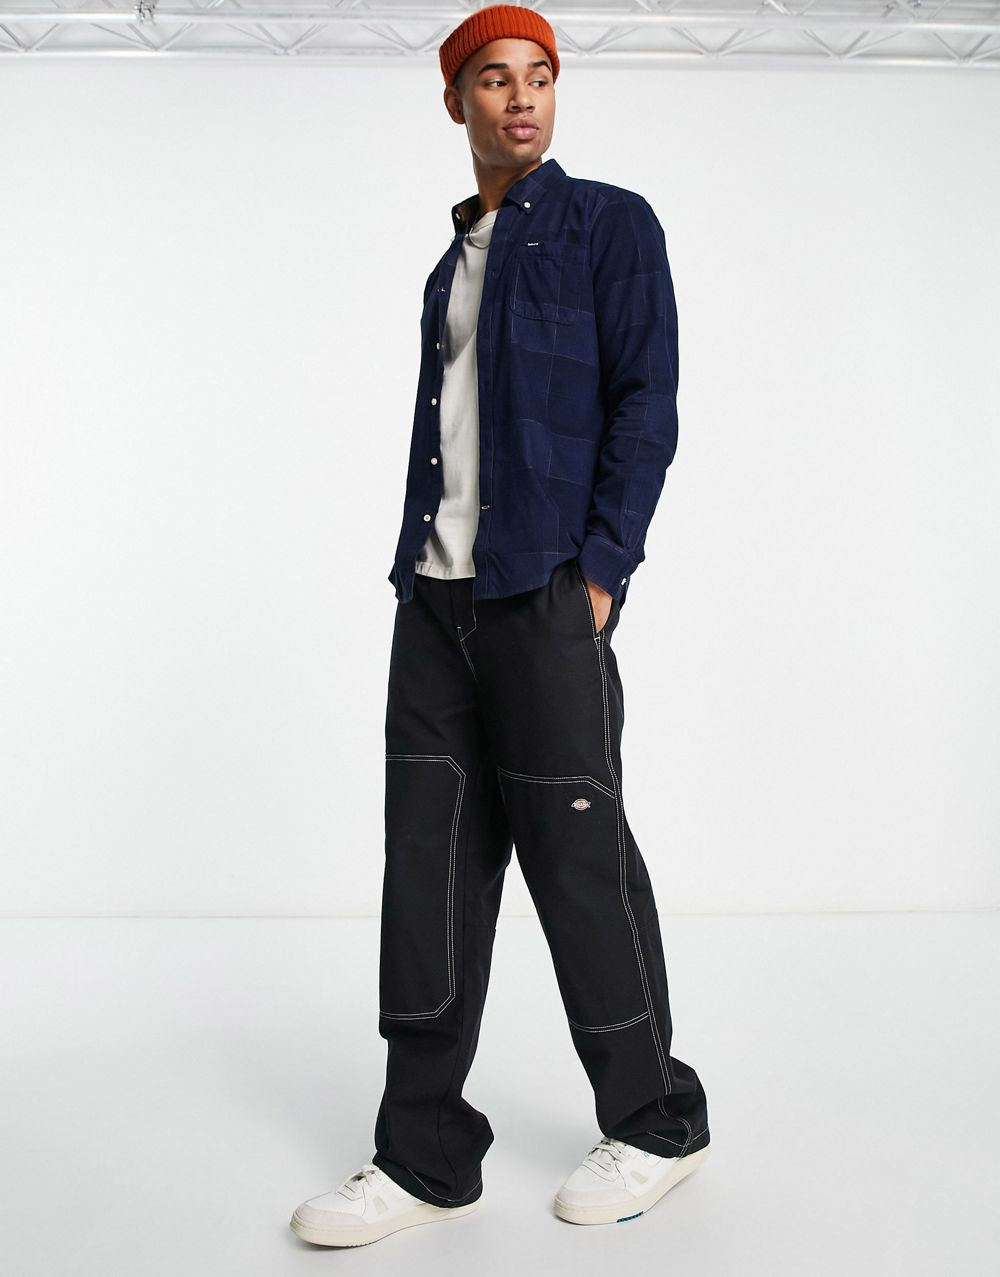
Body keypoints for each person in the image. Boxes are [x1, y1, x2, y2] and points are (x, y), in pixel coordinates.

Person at [289, 2, 710, 1249]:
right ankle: (420, 1151)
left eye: (537, 76)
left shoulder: (609, 225)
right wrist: (426, 576)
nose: (520, 97)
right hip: (434, 601)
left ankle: (657, 1119)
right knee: (424, 870)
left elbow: (646, 401)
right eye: (492, 79)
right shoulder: (450, 264)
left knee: (578, 858)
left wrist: (601, 571)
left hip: (541, 596)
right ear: (455, 101)